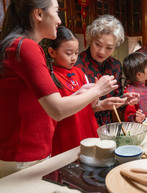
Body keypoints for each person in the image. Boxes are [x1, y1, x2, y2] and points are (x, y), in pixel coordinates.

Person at [0, 0, 117, 178]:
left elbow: (40, 103)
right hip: (24, 155)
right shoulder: (26, 47)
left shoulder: (17, 45)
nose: (59, 20)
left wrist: (78, 94)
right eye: (56, 11)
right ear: (39, 14)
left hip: (25, 154)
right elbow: (57, 110)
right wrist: (97, 90)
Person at [75, 14, 139, 126]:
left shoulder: (115, 66)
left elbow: (115, 97)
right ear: (90, 39)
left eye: (109, 48)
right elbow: (70, 108)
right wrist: (100, 106)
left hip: (107, 126)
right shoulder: (77, 65)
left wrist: (124, 100)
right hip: (83, 125)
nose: (102, 52)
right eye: (98, 44)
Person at [47, 26, 102, 156]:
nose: (73, 58)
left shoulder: (79, 73)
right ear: (52, 52)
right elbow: (53, 110)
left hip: (86, 127)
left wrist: (97, 95)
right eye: (68, 53)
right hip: (67, 132)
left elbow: (92, 105)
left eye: (76, 53)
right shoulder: (49, 76)